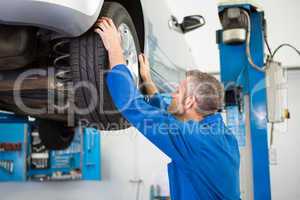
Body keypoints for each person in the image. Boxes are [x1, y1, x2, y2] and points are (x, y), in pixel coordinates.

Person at [95, 17, 240, 200]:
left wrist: (114, 48)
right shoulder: (222, 135)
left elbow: (132, 104)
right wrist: (147, 80)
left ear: (190, 103)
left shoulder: (195, 140)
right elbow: (168, 110)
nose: (172, 94)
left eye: (178, 91)